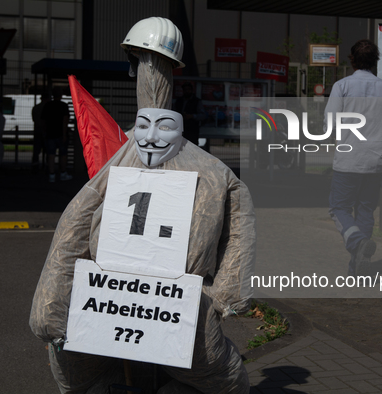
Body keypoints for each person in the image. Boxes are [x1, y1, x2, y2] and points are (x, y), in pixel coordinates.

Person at [30, 17, 255, 394]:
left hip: (126, 306)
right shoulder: (210, 171)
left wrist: (51, 305)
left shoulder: (148, 165)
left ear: (133, 66)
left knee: (88, 367)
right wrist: (229, 294)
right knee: (221, 379)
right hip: (148, 308)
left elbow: (72, 228)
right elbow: (74, 224)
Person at [326, 39, 382, 277]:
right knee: (366, 211)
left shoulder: (342, 86)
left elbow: (330, 123)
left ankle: (357, 242)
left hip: (348, 160)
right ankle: (358, 266)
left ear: (352, 60)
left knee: (339, 208)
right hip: (376, 160)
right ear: (375, 62)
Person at [41, 87, 72, 182]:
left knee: (51, 154)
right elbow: (65, 120)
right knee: (63, 155)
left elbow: (43, 120)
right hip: (60, 134)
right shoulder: (63, 106)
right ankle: (63, 173)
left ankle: (52, 175)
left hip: (50, 134)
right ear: (61, 95)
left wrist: (44, 132)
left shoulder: (47, 105)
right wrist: (64, 134)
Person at [172, 82, 207, 149]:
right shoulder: (179, 101)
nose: (187, 91)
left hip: (192, 130)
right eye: (185, 89)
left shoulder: (196, 101)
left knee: (192, 148)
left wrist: (192, 116)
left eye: (188, 89)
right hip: (180, 129)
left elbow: (203, 115)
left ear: (192, 90)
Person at [31, 93, 49, 171]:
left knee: (36, 150)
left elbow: (34, 119)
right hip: (46, 131)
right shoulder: (48, 108)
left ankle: (35, 165)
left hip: (37, 130)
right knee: (47, 150)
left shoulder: (35, 108)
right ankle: (48, 166)